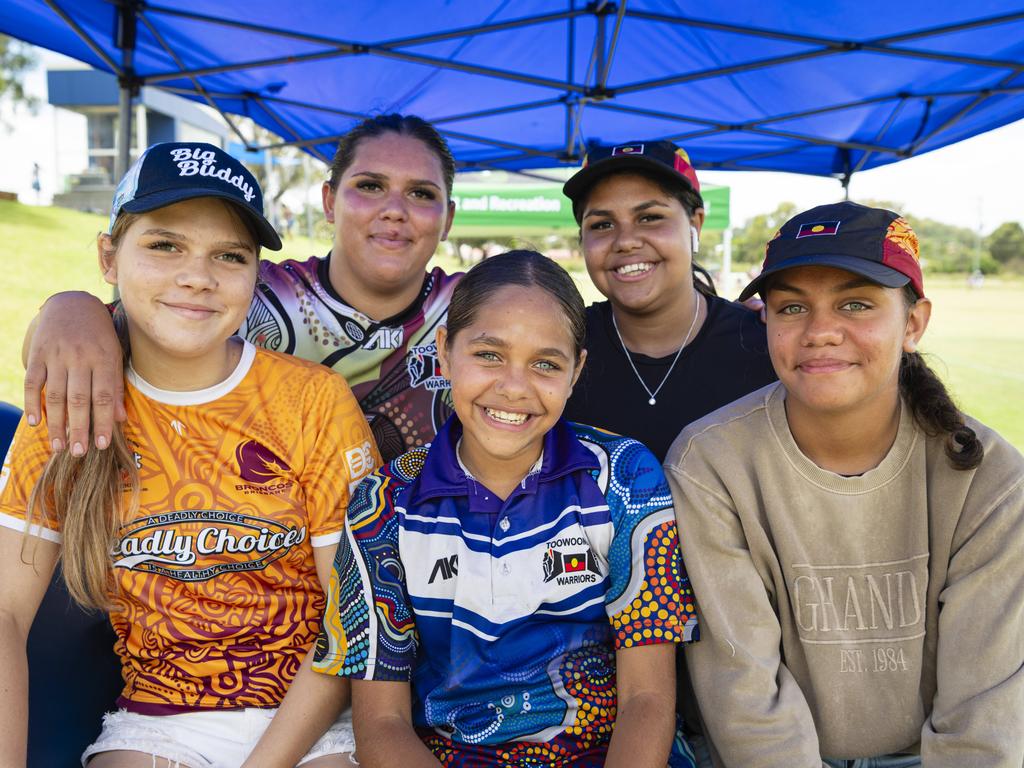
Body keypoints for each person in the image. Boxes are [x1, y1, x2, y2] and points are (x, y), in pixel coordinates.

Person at [0, 142, 381, 766]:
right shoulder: (71, 397)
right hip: (156, 724)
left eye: (228, 256)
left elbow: (352, 622)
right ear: (107, 256)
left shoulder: (312, 401)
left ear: (255, 272)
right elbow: (5, 611)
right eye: (165, 245)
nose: (196, 276)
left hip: (313, 722)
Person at [250, 251, 700, 768]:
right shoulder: (384, 504)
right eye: (489, 354)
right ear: (444, 352)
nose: (514, 386)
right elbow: (382, 724)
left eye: (546, 364)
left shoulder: (623, 478)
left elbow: (646, 700)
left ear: (576, 371)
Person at [665, 202, 1024, 767]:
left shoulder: (989, 476)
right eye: (792, 308)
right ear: (766, 321)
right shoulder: (711, 463)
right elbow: (744, 695)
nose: (821, 332)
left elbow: (982, 717)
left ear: (913, 323)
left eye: (855, 304)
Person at [23, 114, 459, 463]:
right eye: (370, 185)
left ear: (449, 219)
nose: (395, 210)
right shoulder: (245, 290)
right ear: (329, 201)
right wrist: (70, 309)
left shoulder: (476, 308)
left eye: (421, 194)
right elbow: (64, 350)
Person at [561, 140, 777, 463]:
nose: (626, 241)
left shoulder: (767, 346)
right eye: (602, 225)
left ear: (695, 225)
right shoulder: (561, 349)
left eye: (649, 217)